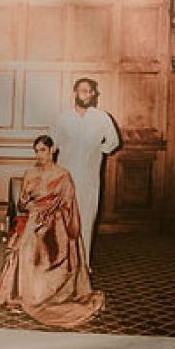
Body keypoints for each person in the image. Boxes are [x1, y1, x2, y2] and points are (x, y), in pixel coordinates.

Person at [0, 136, 105, 329]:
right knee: (24, 247)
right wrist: (30, 204)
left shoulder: (63, 175)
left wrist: (51, 216)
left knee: (48, 249)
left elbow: (69, 206)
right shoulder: (29, 173)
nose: (39, 155)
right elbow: (22, 204)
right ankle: (23, 294)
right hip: (33, 220)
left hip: (56, 223)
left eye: (43, 150)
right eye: (36, 151)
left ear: (52, 150)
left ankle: (48, 294)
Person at [50, 77, 120, 265]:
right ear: (74, 93)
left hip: (89, 179)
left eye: (90, 92)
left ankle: (84, 264)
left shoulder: (101, 117)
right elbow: (52, 145)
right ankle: (64, 264)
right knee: (64, 220)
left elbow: (113, 141)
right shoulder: (63, 118)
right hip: (66, 178)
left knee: (87, 219)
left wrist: (97, 150)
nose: (87, 95)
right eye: (83, 91)